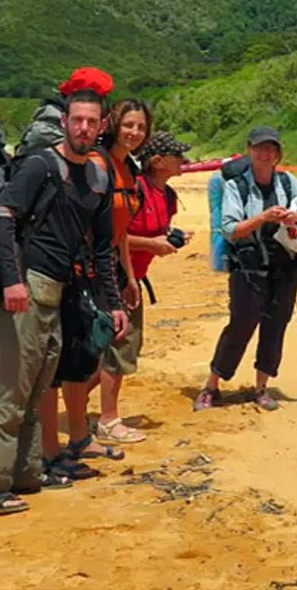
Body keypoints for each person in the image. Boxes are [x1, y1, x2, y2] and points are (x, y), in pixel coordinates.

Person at [0, 87, 129, 515]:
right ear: (65, 123)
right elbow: (2, 217)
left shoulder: (94, 179)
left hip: (58, 292)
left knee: (40, 386)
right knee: (9, 389)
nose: (83, 128)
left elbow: (101, 250)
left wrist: (113, 303)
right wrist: (12, 281)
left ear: (101, 127)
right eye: (76, 120)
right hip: (24, 291)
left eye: (92, 122)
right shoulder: (42, 166)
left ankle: (26, 472)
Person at [42, 98, 146, 465]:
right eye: (128, 124)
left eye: (140, 127)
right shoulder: (101, 164)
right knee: (77, 355)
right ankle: (72, 437)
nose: (134, 132)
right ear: (113, 124)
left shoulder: (124, 168)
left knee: (90, 353)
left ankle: (80, 433)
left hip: (104, 270)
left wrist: (128, 279)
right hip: (79, 272)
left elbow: (116, 235)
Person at [194, 126, 297, 411]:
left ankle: (261, 388)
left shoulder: (288, 182)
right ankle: (213, 385)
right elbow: (230, 228)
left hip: (284, 268)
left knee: (275, 326)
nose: (265, 153)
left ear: (278, 154)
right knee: (241, 326)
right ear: (250, 150)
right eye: (259, 148)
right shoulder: (235, 186)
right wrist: (263, 217)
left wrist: (296, 215)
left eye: (271, 149)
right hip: (248, 269)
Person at [96, 130, 192, 443]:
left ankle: (84, 406)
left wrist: (169, 239)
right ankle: (108, 419)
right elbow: (115, 234)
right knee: (120, 347)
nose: (185, 161)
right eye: (178, 156)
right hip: (115, 277)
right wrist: (151, 244)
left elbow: (155, 232)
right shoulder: (136, 189)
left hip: (133, 276)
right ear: (158, 161)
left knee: (121, 348)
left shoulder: (167, 196)